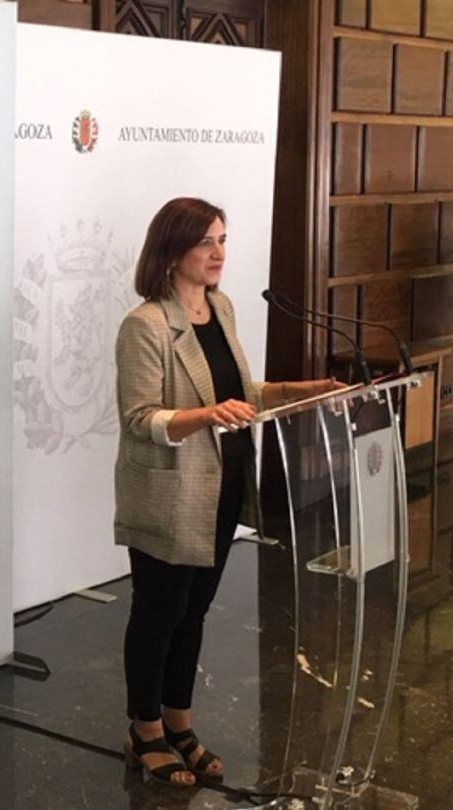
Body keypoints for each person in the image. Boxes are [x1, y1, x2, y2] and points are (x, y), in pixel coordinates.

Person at [114, 197, 338, 787]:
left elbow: (237, 391)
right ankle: (144, 732)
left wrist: (295, 390)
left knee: (194, 613)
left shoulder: (222, 307)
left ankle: (178, 724)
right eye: (206, 242)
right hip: (170, 491)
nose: (219, 254)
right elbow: (140, 417)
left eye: (223, 240)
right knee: (158, 614)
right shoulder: (146, 324)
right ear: (172, 250)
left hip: (224, 480)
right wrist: (206, 415)